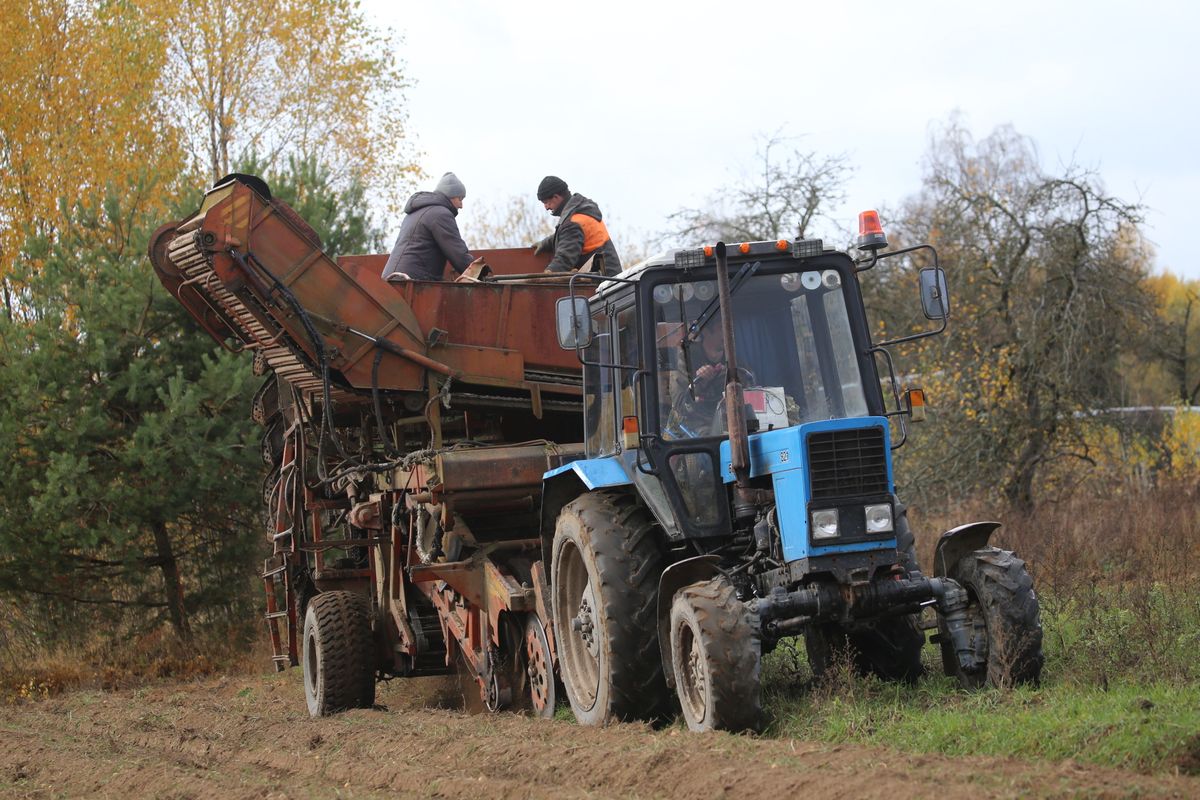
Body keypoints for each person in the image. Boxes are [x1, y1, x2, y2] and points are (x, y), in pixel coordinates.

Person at [381, 172, 475, 282]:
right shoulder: (441, 214)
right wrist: (479, 274)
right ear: (451, 195)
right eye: (460, 198)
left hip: (390, 280)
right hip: (412, 282)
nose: (461, 205)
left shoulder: (414, 213)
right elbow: (458, 254)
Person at [532, 176, 621, 276]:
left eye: (546, 202)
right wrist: (545, 243)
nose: (546, 207)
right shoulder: (580, 212)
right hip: (609, 278)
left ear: (556, 197)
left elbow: (565, 258)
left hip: (605, 283)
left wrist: (549, 273)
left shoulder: (574, 222)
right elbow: (565, 235)